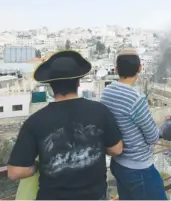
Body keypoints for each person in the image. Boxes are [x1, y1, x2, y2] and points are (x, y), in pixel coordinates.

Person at [8, 50, 123, 200]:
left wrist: (38, 166)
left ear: (50, 85)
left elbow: (15, 172)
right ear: (78, 82)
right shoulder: (100, 111)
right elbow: (116, 149)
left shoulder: (35, 121)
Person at [101, 49, 166, 200]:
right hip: (139, 168)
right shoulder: (136, 99)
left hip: (118, 164)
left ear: (116, 70)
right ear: (139, 68)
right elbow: (152, 137)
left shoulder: (107, 92)